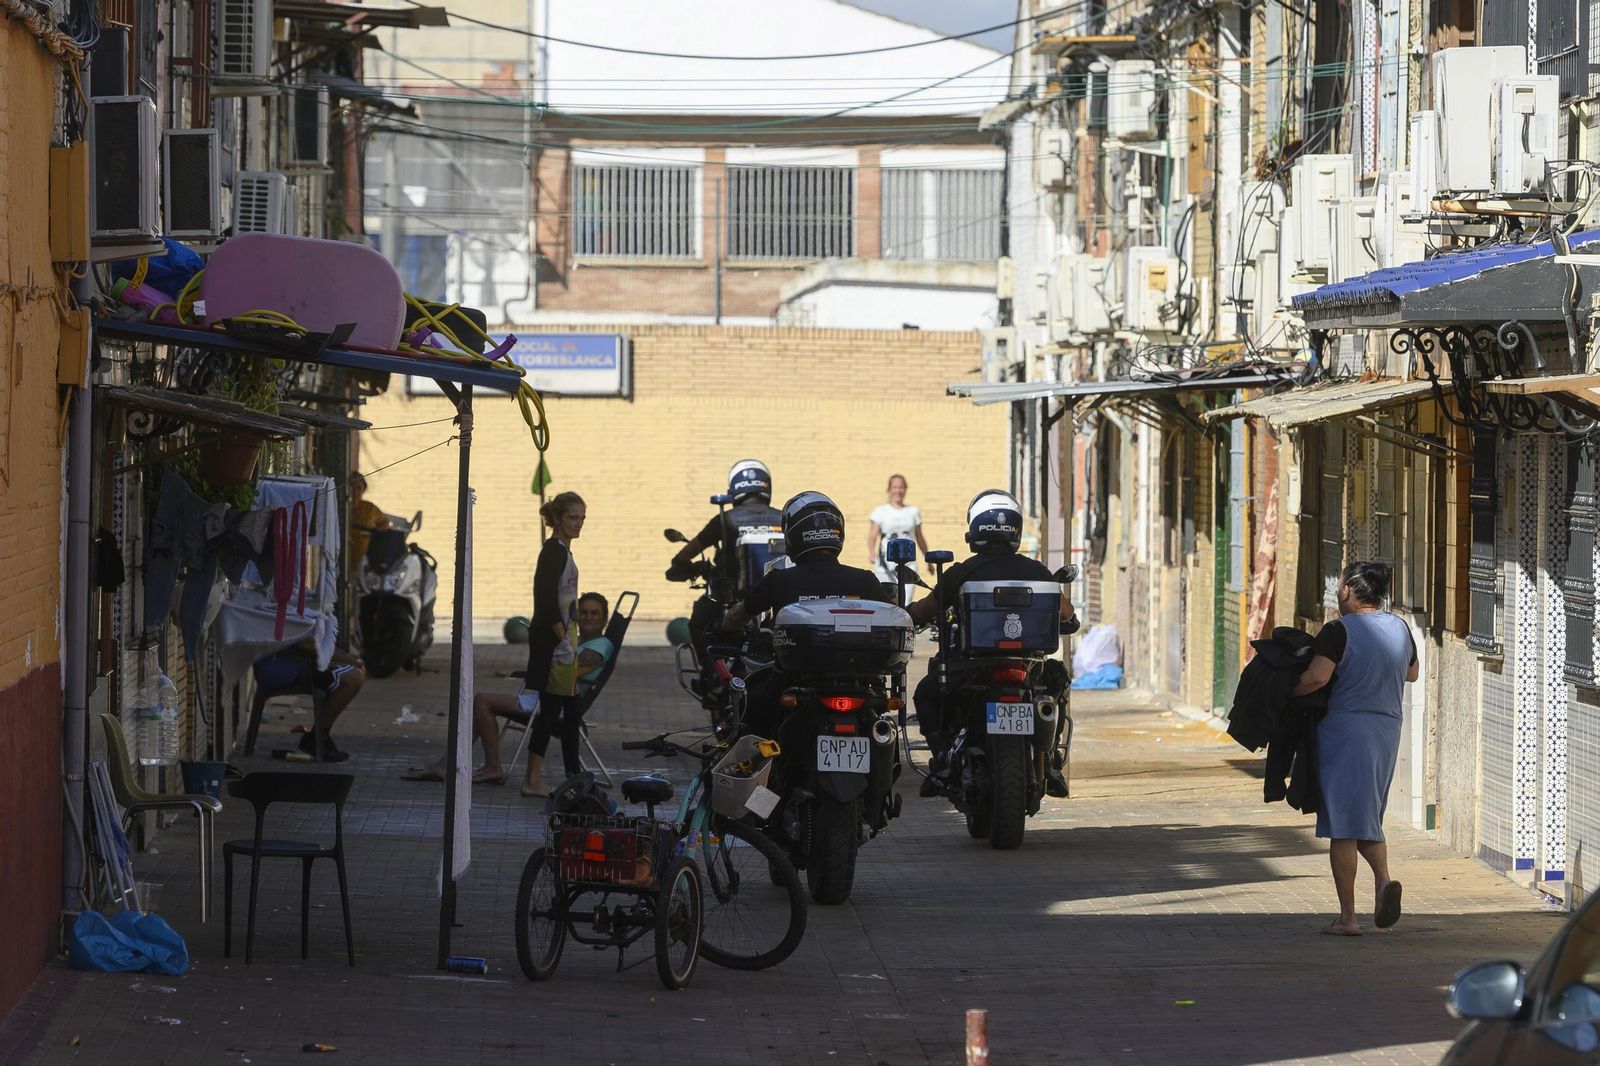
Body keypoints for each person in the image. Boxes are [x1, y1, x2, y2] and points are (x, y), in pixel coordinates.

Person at [907, 489, 1077, 798]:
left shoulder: (961, 572)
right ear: (1014, 529)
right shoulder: (1037, 571)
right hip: (1027, 667)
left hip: (970, 668)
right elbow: (1067, 614)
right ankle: (1050, 759)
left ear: (974, 529)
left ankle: (943, 760)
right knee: (1057, 680)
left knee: (927, 693)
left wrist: (905, 617)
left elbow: (925, 609)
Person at [1291, 561, 1419, 936]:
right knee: (1364, 815)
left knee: (1342, 827)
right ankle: (1382, 884)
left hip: (1346, 732)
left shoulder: (1337, 630)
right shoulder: (1399, 627)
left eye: (1340, 585)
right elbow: (1411, 673)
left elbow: (1317, 677)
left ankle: (1348, 918)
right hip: (1387, 730)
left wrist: (1284, 691)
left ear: (1347, 589)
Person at [721, 491, 888, 739]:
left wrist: (723, 629)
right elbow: (891, 617)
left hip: (796, 681)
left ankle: (755, 772)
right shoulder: (865, 579)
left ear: (793, 535)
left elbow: (738, 616)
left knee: (749, 707)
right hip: (860, 683)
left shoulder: (780, 579)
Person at [406, 592, 614, 785]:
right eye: (584, 612)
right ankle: (449, 763)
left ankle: (490, 766)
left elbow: (567, 673)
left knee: (482, 701)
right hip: (547, 697)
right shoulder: (578, 643)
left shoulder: (601, 646)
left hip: (555, 705)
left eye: (595, 613)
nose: (588, 617)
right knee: (482, 707)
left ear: (604, 619)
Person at [508, 491, 591, 797]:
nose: (578, 523)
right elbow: (545, 601)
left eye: (582, 518)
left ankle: (573, 775)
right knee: (551, 710)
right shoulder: (553, 552)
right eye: (572, 517)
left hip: (565, 643)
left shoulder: (564, 552)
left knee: (571, 712)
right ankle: (532, 778)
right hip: (556, 647)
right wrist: (562, 640)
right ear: (557, 519)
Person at [667, 459, 783, 596]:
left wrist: (679, 561)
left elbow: (692, 549)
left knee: (701, 614)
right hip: (780, 597)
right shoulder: (784, 518)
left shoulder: (725, 520)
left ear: (734, 487)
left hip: (733, 599)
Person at [252, 638, 367, 762]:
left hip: (289, 663)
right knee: (353, 678)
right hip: (282, 667)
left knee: (355, 671)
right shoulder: (289, 618)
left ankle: (319, 736)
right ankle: (318, 736)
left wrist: (346, 657)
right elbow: (306, 643)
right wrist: (347, 659)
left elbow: (316, 643)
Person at [866, 474, 931, 599]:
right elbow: (872, 535)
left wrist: (927, 559)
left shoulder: (913, 511)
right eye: (895, 487)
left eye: (901, 487)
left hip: (908, 565)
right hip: (884, 565)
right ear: (889, 489)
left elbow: (919, 537)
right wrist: (871, 552)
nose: (898, 491)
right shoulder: (880, 511)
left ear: (905, 489)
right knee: (886, 600)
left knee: (905, 600)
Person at [346, 472, 389, 574]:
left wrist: (375, 534)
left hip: (363, 558)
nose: (355, 492)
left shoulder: (370, 509)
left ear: (363, 490)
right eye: (351, 487)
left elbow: (384, 522)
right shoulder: (340, 506)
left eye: (358, 488)